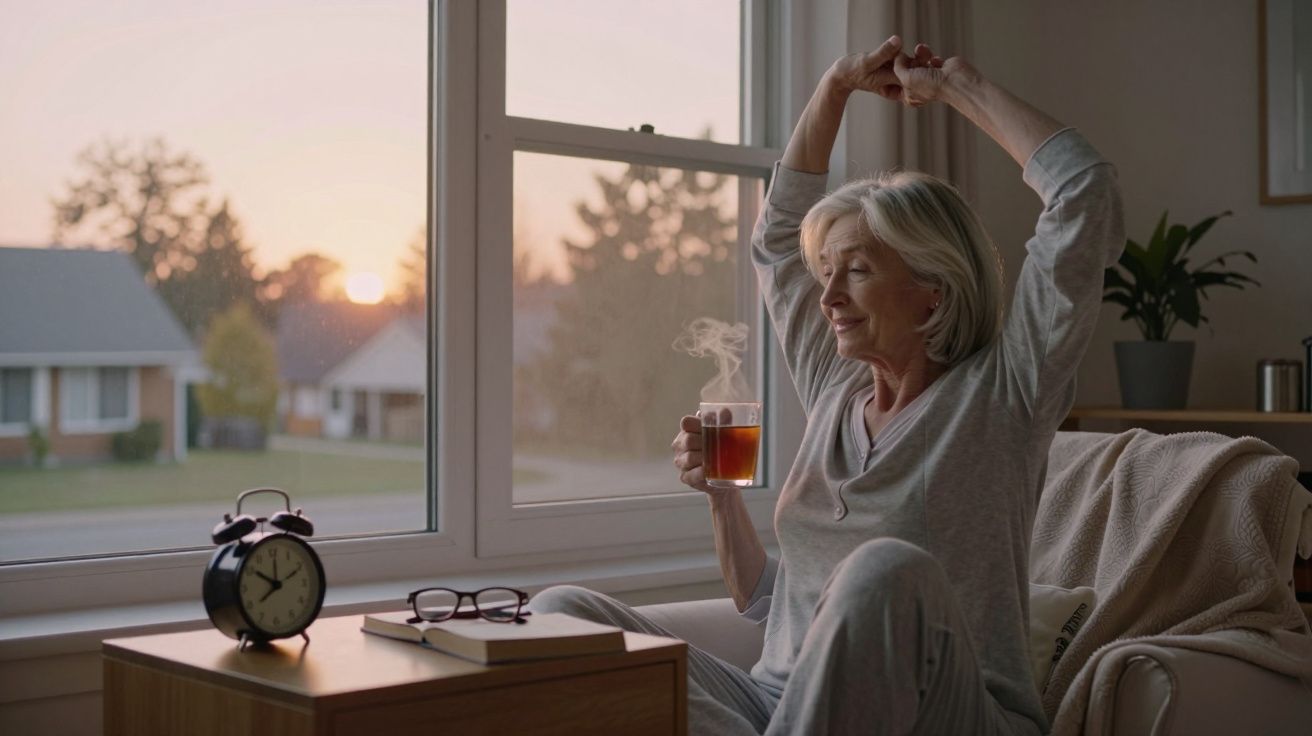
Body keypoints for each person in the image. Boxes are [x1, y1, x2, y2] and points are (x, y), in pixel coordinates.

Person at [531, 35, 1124, 735]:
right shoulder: (834, 387)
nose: (829, 295)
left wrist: (955, 85)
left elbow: (1082, 193)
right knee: (561, 614)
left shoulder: (1005, 393)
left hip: (952, 711)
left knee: (885, 571)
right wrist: (835, 88)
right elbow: (778, 239)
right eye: (827, 272)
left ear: (932, 289)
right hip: (781, 704)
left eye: (859, 271)